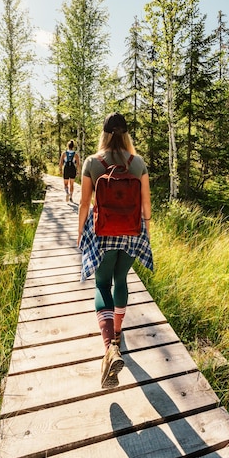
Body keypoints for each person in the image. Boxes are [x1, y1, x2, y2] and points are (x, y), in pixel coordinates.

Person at [78, 112, 153, 389]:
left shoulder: (92, 162)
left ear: (105, 133)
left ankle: (110, 347)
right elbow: (146, 207)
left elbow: (85, 205)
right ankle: (118, 335)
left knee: (101, 283)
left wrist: (79, 235)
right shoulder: (138, 163)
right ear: (126, 134)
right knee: (121, 280)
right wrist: (146, 233)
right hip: (133, 232)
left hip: (103, 232)